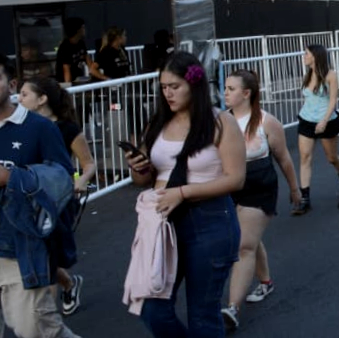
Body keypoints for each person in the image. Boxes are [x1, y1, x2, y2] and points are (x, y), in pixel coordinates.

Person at [125, 51, 245, 337]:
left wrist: (182, 192)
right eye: (163, 86)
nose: (167, 93)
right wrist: (138, 168)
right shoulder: (157, 123)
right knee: (151, 308)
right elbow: (144, 179)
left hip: (210, 220)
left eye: (174, 86)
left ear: (194, 84)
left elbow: (236, 179)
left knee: (203, 316)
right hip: (162, 223)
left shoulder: (221, 123)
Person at [0, 51, 81, 338]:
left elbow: (63, 182)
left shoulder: (39, 127)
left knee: (39, 332)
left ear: (12, 83)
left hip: (22, 251)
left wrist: (13, 178)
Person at [220, 70, 301, 330]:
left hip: (260, 186)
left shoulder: (267, 122)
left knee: (243, 245)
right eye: (226, 88)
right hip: (231, 187)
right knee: (250, 239)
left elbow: (284, 158)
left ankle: (232, 308)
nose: (226, 93)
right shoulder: (221, 121)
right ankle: (266, 282)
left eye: (231, 89)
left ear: (247, 93)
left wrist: (295, 189)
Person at [19, 77, 98, 317]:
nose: (18, 99)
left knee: (46, 257)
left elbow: (89, 164)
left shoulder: (68, 129)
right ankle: (69, 284)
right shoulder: (22, 127)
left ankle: (45, 320)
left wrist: (80, 182)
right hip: (28, 200)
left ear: (42, 100)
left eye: (24, 94)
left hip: (58, 202)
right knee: (39, 257)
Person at [293, 44, 339, 214]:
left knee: (332, 158)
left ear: (315, 56)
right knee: (304, 158)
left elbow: (332, 100)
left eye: (306, 53)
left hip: (327, 121)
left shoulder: (331, 75)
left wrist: (323, 121)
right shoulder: (307, 75)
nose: (304, 56)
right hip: (307, 121)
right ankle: (305, 199)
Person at [55, 17, 106, 84]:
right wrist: (69, 88)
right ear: (78, 30)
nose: (85, 30)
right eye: (83, 27)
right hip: (65, 82)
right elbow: (66, 70)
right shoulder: (65, 47)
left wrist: (104, 77)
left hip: (77, 78)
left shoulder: (81, 43)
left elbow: (90, 65)